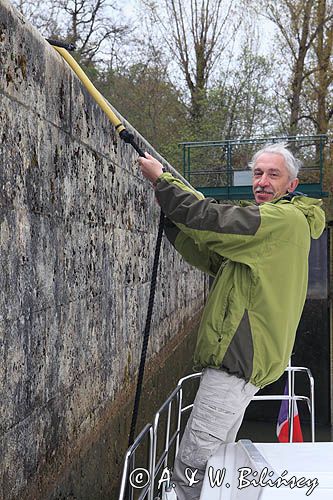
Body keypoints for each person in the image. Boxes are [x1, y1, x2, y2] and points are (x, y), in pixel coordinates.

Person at [138, 143, 325, 499]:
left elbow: (215, 221)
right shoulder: (276, 230)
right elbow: (212, 255)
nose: (263, 182)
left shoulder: (281, 221)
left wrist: (165, 185)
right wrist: (174, 223)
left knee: (193, 465)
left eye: (274, 174)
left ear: (292, 184)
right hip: (245, 364)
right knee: (219, 460)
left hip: (235, 365)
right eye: (258, 173)